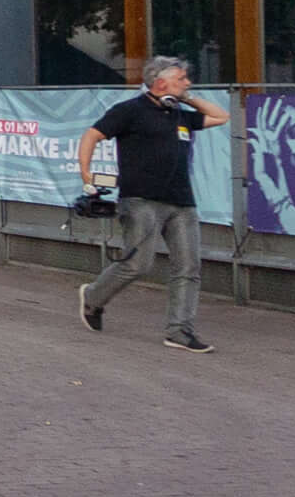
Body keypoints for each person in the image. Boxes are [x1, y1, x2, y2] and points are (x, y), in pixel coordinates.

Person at [73, 56, 222, 353]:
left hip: (182, 203)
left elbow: (220, 117)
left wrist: (186, 97)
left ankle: (179, 332)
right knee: (138, 265)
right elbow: (92, 135)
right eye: (182, 79)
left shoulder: (180, 114)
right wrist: (86, 173)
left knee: (188, 267)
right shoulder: (130, 111)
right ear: (161, 83)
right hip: (141, 201)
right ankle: (93, 297)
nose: (188, 83)